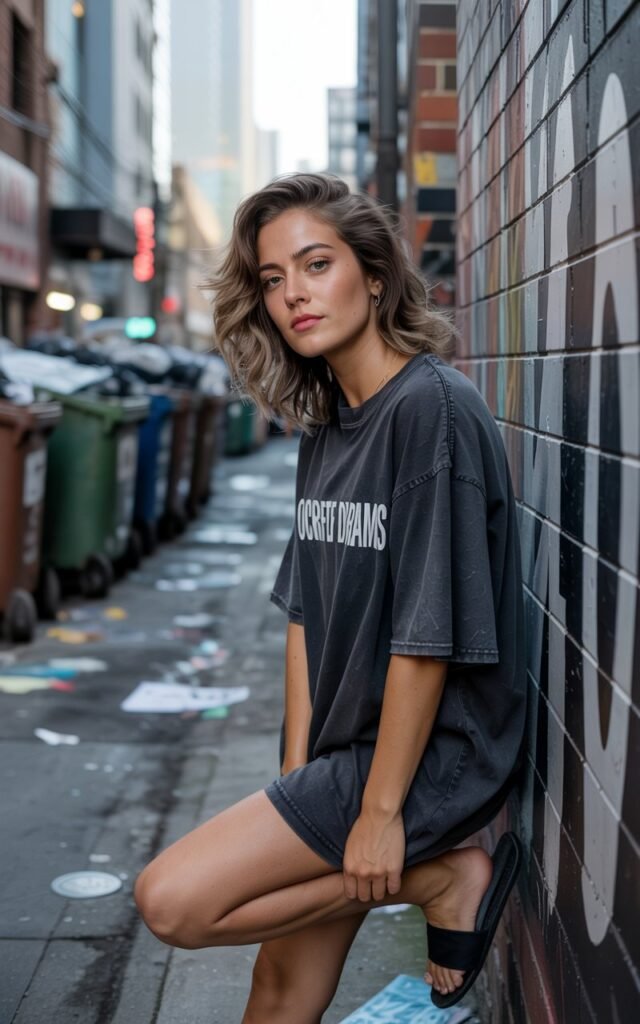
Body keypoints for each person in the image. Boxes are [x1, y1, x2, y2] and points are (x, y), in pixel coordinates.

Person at [135, 173, 527, 1020]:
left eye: (315, 264)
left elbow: (427, 635)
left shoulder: (432, 411)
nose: (293, 296)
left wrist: (380, 816)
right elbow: (305, 613)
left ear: (375, 273)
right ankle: (420, 874)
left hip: (427, 758)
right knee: (277, 993)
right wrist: (294, 777)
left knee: (172, 902)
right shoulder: (330, 424)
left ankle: (438, 876)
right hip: (344, 757)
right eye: (273, 280)